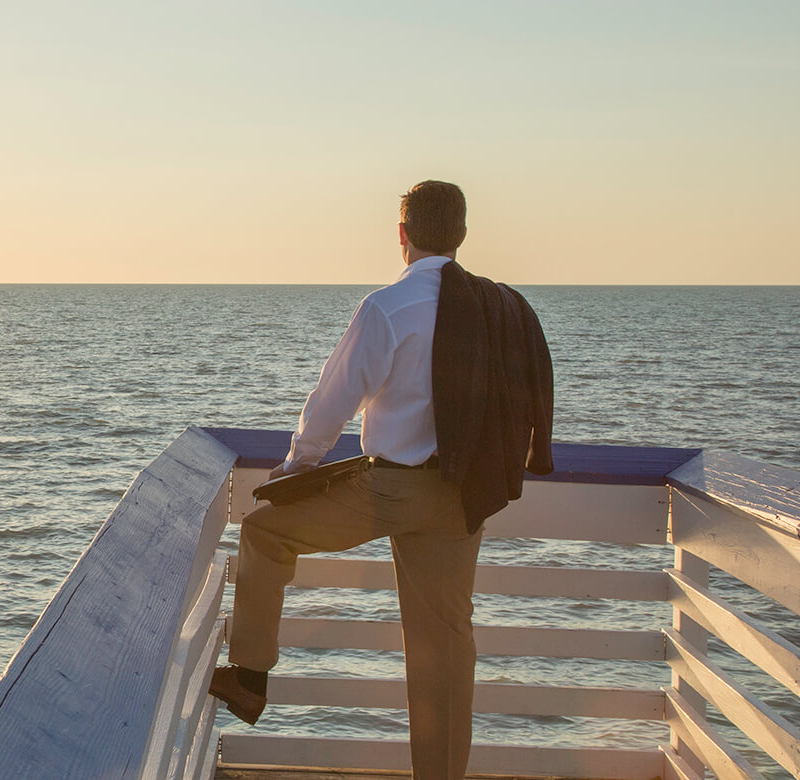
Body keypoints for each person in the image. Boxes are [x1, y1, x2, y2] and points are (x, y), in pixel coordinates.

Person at [207, 181, 553, 780]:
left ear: (402, 234)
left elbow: (331, 404)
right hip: (462, 496)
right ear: (463, 235)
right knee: (444, 649)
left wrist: (296, 468)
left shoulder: (387, 308)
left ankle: (250, 680)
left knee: (265, 532)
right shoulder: (499, 307)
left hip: (388, 491)